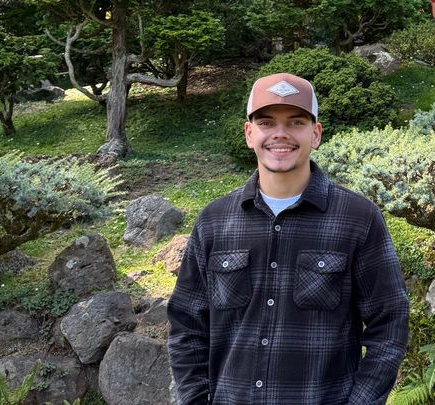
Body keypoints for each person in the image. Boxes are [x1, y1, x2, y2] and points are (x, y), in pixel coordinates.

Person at [167, 72, 409, 405]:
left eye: (295, 122)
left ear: (316, 133)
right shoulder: (214, 221)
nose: (280, 133)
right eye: (266, 123)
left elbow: (390, 325)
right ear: (249, 133)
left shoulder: (358, 218)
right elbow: (186, 325)